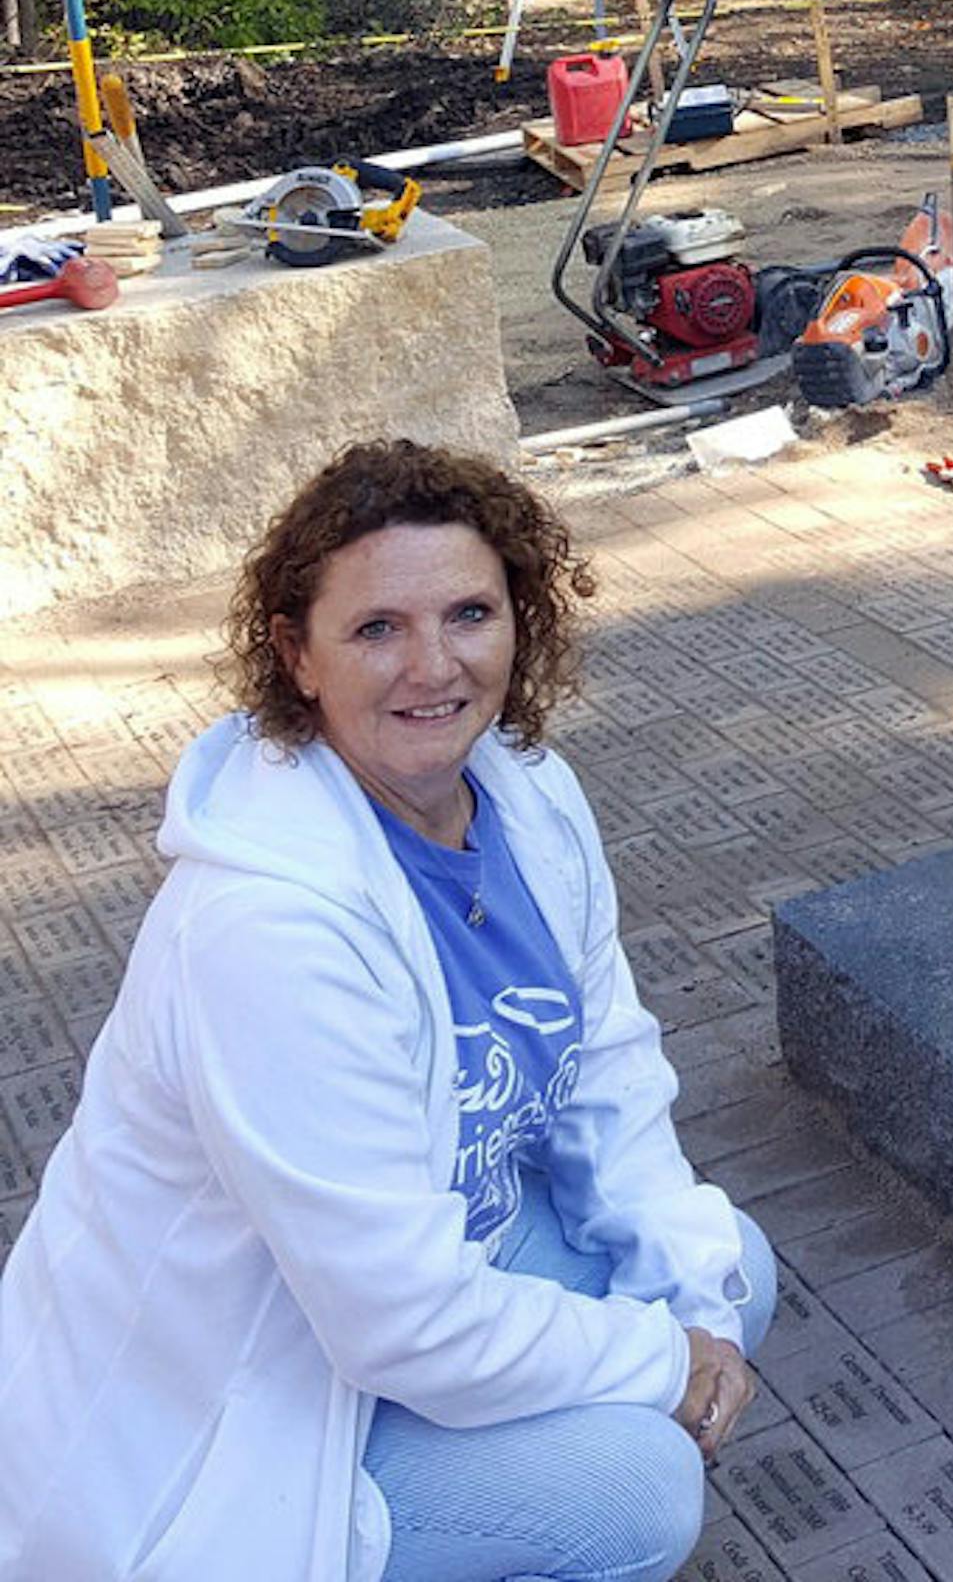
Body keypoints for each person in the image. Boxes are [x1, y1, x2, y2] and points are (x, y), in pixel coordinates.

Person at [0, 437, 774, 1582]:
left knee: (727, 1268)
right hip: (253, 1388)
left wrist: (687, 1316)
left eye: (469, 613)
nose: (433, 667)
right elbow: (396, 1322)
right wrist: (660, 1367)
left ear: (523, 620)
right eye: (375, 629)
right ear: (295, 657)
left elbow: (608, 1077)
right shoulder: (267, 931)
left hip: (434, 1258)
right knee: (636, 1489)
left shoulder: (529, 799)